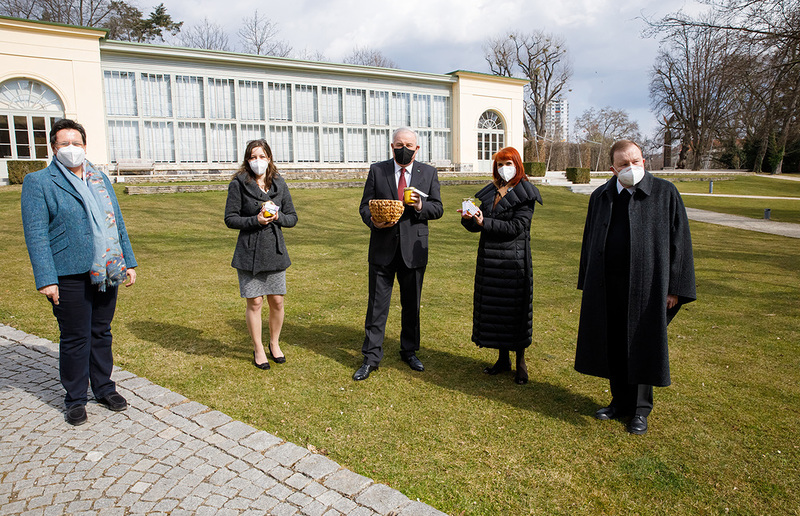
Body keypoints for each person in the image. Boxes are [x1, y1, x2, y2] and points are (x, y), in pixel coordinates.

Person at [21, 118, 138, 426]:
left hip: (107, 268)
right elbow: (36, 233)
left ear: (85, 146)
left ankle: (103, 387)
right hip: (67, 272)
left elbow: (117, 222)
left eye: (77, 143)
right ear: (53, 147)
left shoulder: (100, 179)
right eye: (64, 143)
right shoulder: (40, 182)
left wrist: (128, 261)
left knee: (101, 332)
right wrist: (46, 279)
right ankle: (75, 397)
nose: (71, 149)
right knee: (75, 336)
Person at [575, 139, 696, 435]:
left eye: (637, 161)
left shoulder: (665, 193)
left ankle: (640, 410)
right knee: (613, 342)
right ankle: (619, 401)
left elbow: (680, 243)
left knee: (642, 344)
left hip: (648, 286)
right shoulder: (601, 196)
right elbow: (590, 239)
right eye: (625, 164)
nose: (632, 168)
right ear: (612, 168)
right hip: (608, 284)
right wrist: (586, 281)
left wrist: (675, 287)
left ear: (644, 160)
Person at [354, 127, 444, 381]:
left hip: (413, 251)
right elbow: (364, 206)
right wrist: (374, 220)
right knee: (377, 306)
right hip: (382, 248)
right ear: (391, 146)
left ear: (417, 148)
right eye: (399, 144)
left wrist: (420, 206)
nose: (403, 148)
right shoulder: (377, 170)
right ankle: (371, 357)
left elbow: (438, 208)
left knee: (411, 304)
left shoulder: (428, 173)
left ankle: (409, 350)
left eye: (409, 145)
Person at [460, 147, 542, 384]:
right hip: (490, 261)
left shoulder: (526, 194)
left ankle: (520, 363)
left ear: (517, 164)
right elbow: (479, 225)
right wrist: (470, 219)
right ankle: (502, 359)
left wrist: (484, 222)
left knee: (515, 312)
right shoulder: (491, 191)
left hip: (513, 261)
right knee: (496, 312)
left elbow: (517, 227)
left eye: (508, 163)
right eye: (499, 163)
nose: (503, 168)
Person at [225, 139, 297, 370]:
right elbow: (230, 218)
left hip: (274, 250)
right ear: (247, 160)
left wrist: (278, 217)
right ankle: (258, 348)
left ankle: (274, 343)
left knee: (277, 300)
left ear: (269, 158)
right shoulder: (238, 183)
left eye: (262, 156)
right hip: (249, 251)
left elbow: (292, 217)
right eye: (253, 157)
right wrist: (255, 220)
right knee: (255, 302)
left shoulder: (279, 183)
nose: (258, 161)